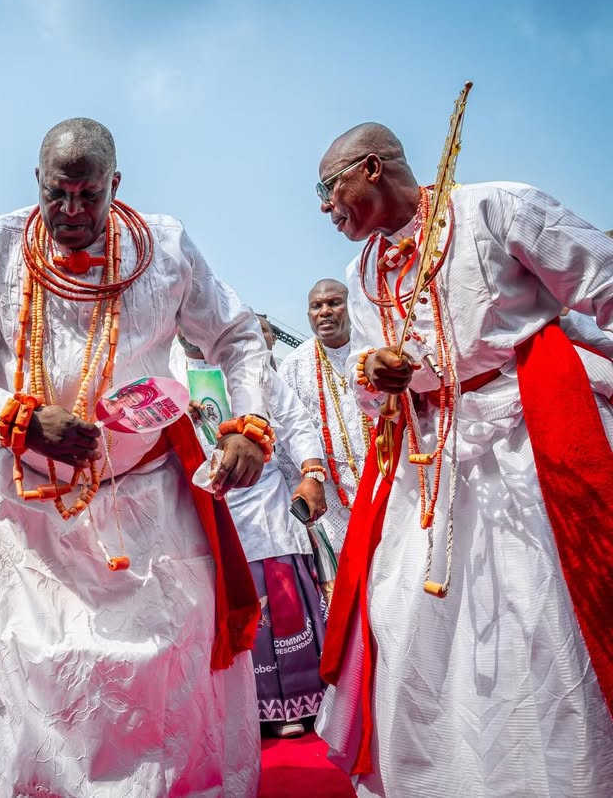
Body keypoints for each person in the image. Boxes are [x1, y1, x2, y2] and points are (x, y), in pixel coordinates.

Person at [0, 118, 272, 796]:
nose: (70, 212)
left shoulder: (167, 246)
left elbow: (241, 338)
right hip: (23, 504)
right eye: (55, 194)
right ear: (36, 185)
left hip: (148, 500)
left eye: (87, 196)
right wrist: (16, 416)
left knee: (159, 676)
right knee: (21, 671)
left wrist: (250, 424)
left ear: (115, 186)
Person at [313, 123, 613, 797]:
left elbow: (604, 281)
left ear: (369, 169)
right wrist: (380, 373)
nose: (327, 211)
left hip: (529, 436)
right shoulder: (364, 272)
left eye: (330, 192)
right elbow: (368, 381)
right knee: (405, 617)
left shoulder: (496, 207)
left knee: (539, 612)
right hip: (431, 463)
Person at [177, 336, 328, 739]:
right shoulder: (164, 367)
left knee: (282, 603)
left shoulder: (249, 365)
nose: (191, 331)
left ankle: (301, 702)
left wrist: (313, 474)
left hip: (264, 503)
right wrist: (177, 417)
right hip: (201, 504)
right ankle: (241, 713)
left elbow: (296, 422)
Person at [279, 279, 371, 554]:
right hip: (331, 494)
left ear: (351, 307)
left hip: (387, 480)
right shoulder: (293, 366)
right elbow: (288, 434)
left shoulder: (372, 348)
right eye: (316, 306)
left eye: (334, 303)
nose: (324, 311)